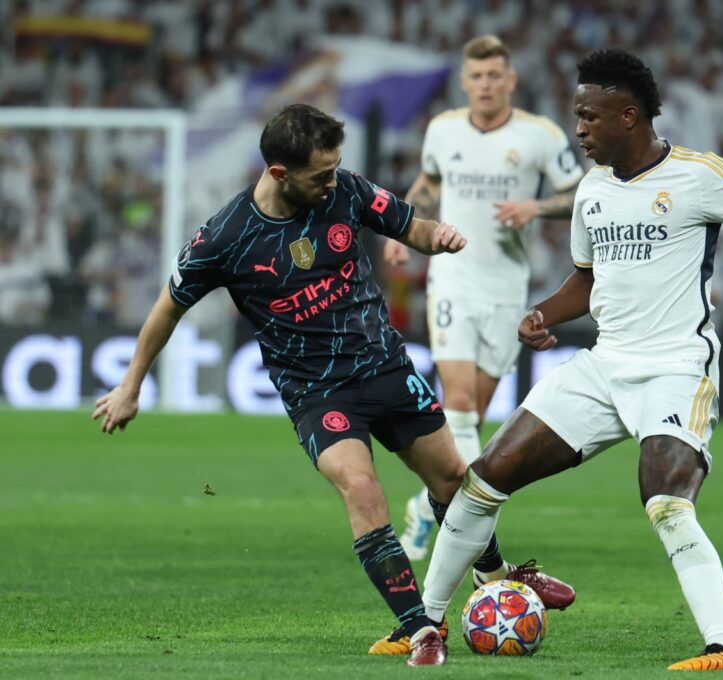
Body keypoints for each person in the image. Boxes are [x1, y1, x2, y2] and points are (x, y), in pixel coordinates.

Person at [91, 104, 573, 667]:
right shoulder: (225, 237)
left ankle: (496, 578)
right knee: (362, 488)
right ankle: (419, 629)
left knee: (454, 480)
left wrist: (434, 236)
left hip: (385, 366)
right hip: (318, 393)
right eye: (319, 174)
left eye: (334, 169)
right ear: (278, 173)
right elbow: (166, 309)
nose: (331, 181)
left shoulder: (343, 189)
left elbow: (406, 224)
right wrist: (130, 386)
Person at [405, 49, 723, 669]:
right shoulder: (592, 190)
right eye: (576, 117)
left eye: (589, 117)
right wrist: (544, 312)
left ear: (630, 116)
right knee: (484, 478)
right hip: (603, 366)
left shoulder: (703, 175)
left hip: (677, 367)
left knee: (666, 502)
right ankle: (423, 625)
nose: (579, 130)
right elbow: (586, 281)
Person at [383, 35, 585, 562]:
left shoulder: (538, 136)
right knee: (463, 406)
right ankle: (472, 538)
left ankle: (426, 506)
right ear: (465, 81)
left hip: (505, 288)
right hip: (451, 279)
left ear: (511, 79)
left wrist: (534, 208)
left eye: (495, 75)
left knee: (470, 420)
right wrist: (403, 233)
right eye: (477, 76)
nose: (486, 85)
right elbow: (427, 183)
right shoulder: (443, 130)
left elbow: (580, 192)